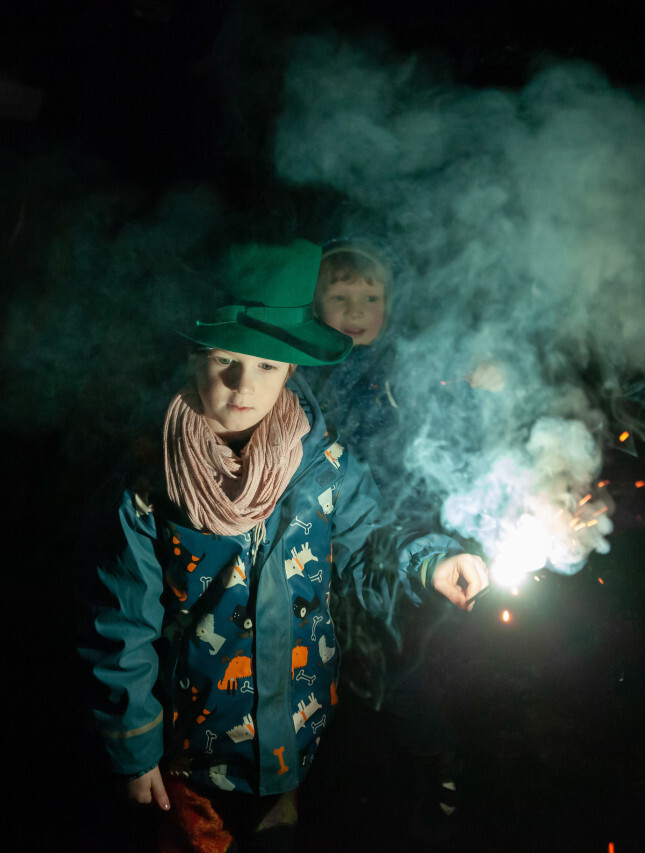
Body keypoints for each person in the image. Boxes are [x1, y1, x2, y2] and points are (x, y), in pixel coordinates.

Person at [78, 238, 488, 852]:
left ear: (292, 367)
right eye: (226, 360)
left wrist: (432, 561)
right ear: (194, 359)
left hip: (293, 734)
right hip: (192, 753)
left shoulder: (324, 467)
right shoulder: (149, 488)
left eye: (268, 366)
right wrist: (135, 749)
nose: (245, 384)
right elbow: (122, 626)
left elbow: (370, 540)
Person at [303, 237, 506, 842]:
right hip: (311, 541)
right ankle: (302, 779)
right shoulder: (296, 370)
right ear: (314, 303)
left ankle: (435, 759)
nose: (358, 309)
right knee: (310, 660)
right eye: (340, 297)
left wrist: (475, 389)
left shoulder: (408, 367)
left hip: (391, 537)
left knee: (392, 659)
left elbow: (447, 438)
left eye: (371, 296)